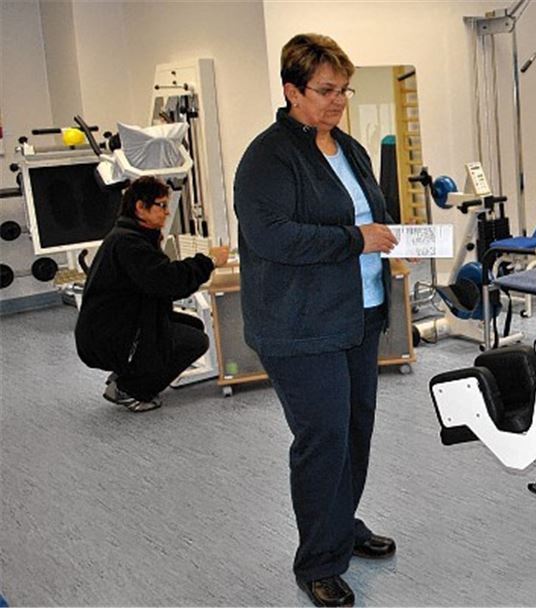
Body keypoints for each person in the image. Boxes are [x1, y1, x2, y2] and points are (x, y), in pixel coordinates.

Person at [233, 33, 399, 607]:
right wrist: (357, 239)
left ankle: (340, 525)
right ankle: (318, 561)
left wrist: (387, 242)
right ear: (291, 90)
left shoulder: (348, 149)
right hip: (299, 325)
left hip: (357, 314)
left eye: (343, 90)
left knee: (354, 429)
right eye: (325, 90)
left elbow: (371, 217)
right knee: (322, 438)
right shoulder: (268, 157)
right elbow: (271, 237)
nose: (337, 101)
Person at [75, 176, 227, 413]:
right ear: (140, 207)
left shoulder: (132, 235)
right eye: (161, 206)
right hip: (111, 336)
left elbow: (160, 278)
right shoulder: (129, 244)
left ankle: (128, 374)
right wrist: (209, 261)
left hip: (118, 325)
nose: (167, 213)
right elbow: (168, 281)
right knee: (195, 342)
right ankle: (130, 389)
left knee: (193, 325)